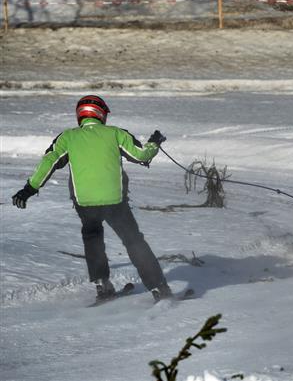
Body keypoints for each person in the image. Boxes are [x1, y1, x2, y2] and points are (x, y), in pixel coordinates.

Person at [11, 95, 172, 302]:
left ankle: (102, 285)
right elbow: (142, 156)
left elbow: (48, 163)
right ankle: (159, 288)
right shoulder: (116, 133)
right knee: (133, 241)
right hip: (115, 202)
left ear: (81, 115)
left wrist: (28, 189)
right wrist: (154, 142)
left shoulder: (67, 137)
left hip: (84, 203)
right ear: (101, 114)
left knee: (93, 238)